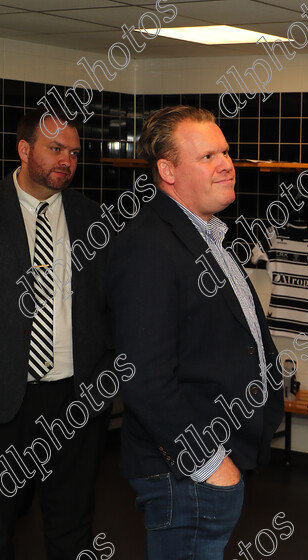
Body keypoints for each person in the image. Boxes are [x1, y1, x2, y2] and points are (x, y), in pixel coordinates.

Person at [107, 105, 284, 560]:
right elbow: (144, 377)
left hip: (216, 462)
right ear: (167, 170)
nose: (226, 163)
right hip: (184, 475)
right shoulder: (150, 245)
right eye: (207, 156)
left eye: (224, 152)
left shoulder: (208, 236)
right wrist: (209, 463)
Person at [0, 108, 113, 559]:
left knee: (72, 525)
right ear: (24, 150)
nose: (66, 160)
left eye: (73, 152)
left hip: (75, 399)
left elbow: (112, 308)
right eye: (55, 149)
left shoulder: (94, 218)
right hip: (8, 400)